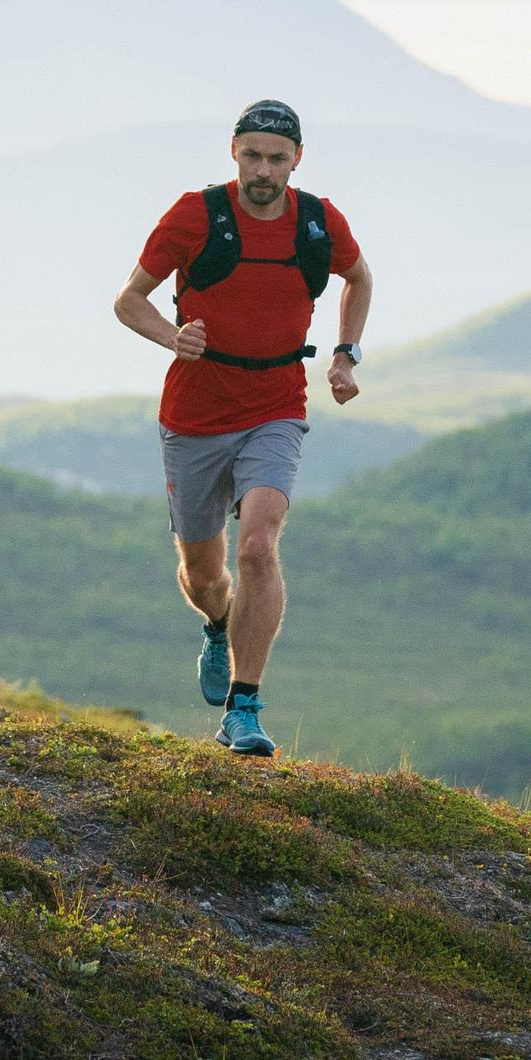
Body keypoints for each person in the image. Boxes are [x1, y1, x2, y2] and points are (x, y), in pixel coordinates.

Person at [110, 99, 372, 756]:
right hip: (195, 416)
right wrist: (174, 338)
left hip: (276, 407)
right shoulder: (195, 215)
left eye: (276, 159)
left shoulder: (317, 221)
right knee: (204, 574)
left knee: (258, 546)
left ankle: (243, 708)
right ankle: (219, 624)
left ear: (297, 161)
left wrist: (345, 354)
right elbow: (128, 300)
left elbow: (358, 277)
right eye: (252, 155)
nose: (263, 169)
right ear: (234, 152)